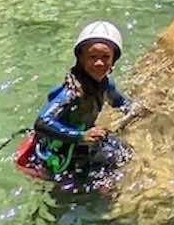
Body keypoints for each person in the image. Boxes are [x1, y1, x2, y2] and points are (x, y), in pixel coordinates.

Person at [18, 22, 130, 185]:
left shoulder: (106, 85)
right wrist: (80, 136)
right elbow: (41, 122)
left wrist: (137, 110)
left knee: (124, 153)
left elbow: (120, 103)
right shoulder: (71, 93)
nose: (99, 63)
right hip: (63, 146)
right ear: (81, 59)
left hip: (81, 137)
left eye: (105, 57)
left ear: (114, 60)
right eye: (92, 57)